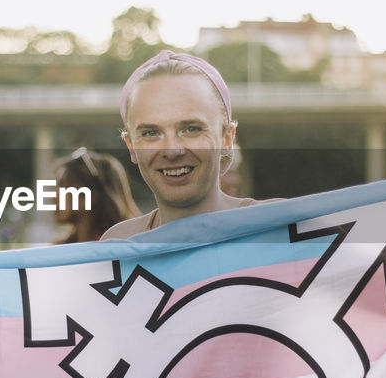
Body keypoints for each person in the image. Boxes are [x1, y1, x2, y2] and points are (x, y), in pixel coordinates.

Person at [102, 50, 267, 238]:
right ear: (131, 146)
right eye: (151, 133)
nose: (172, 150)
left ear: (227, 138)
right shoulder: (117, 245)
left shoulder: (279, 226)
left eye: (192, 129)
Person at [51, 147, 141, 244]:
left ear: (89, 195)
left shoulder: (133, 249)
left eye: (63, 187)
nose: (54, 196)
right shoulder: (56, 251)